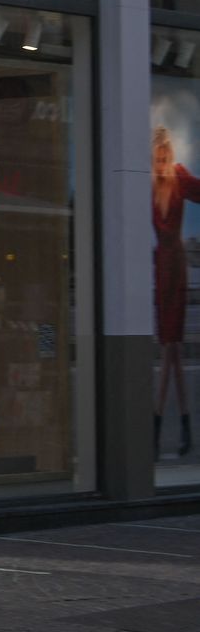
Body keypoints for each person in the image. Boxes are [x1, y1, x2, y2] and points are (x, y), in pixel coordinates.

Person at [152, 126, 195, 459]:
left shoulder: (179, 177)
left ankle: (158, 425)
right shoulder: (149, 185)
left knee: (171, 350)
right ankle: (183, 426)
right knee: (172, 353)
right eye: (158, 156)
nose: (163, 161)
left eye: (166, 155)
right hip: (161, 267)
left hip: (175, 266)